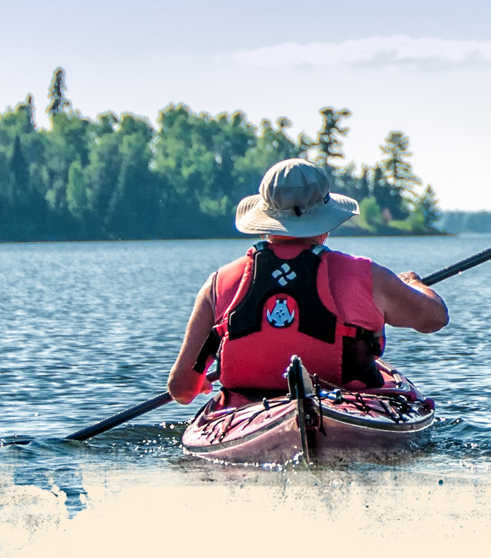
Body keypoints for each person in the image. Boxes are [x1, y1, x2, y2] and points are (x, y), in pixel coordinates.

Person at [166, 159, 449, 405]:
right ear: (325, 224)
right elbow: (434, 318)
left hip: (247, 415)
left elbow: (181, 389)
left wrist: (200, 382)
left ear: (264, 220)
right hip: (344, 409)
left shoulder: (218, 284)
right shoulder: (366, 276)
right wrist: (414, 284)